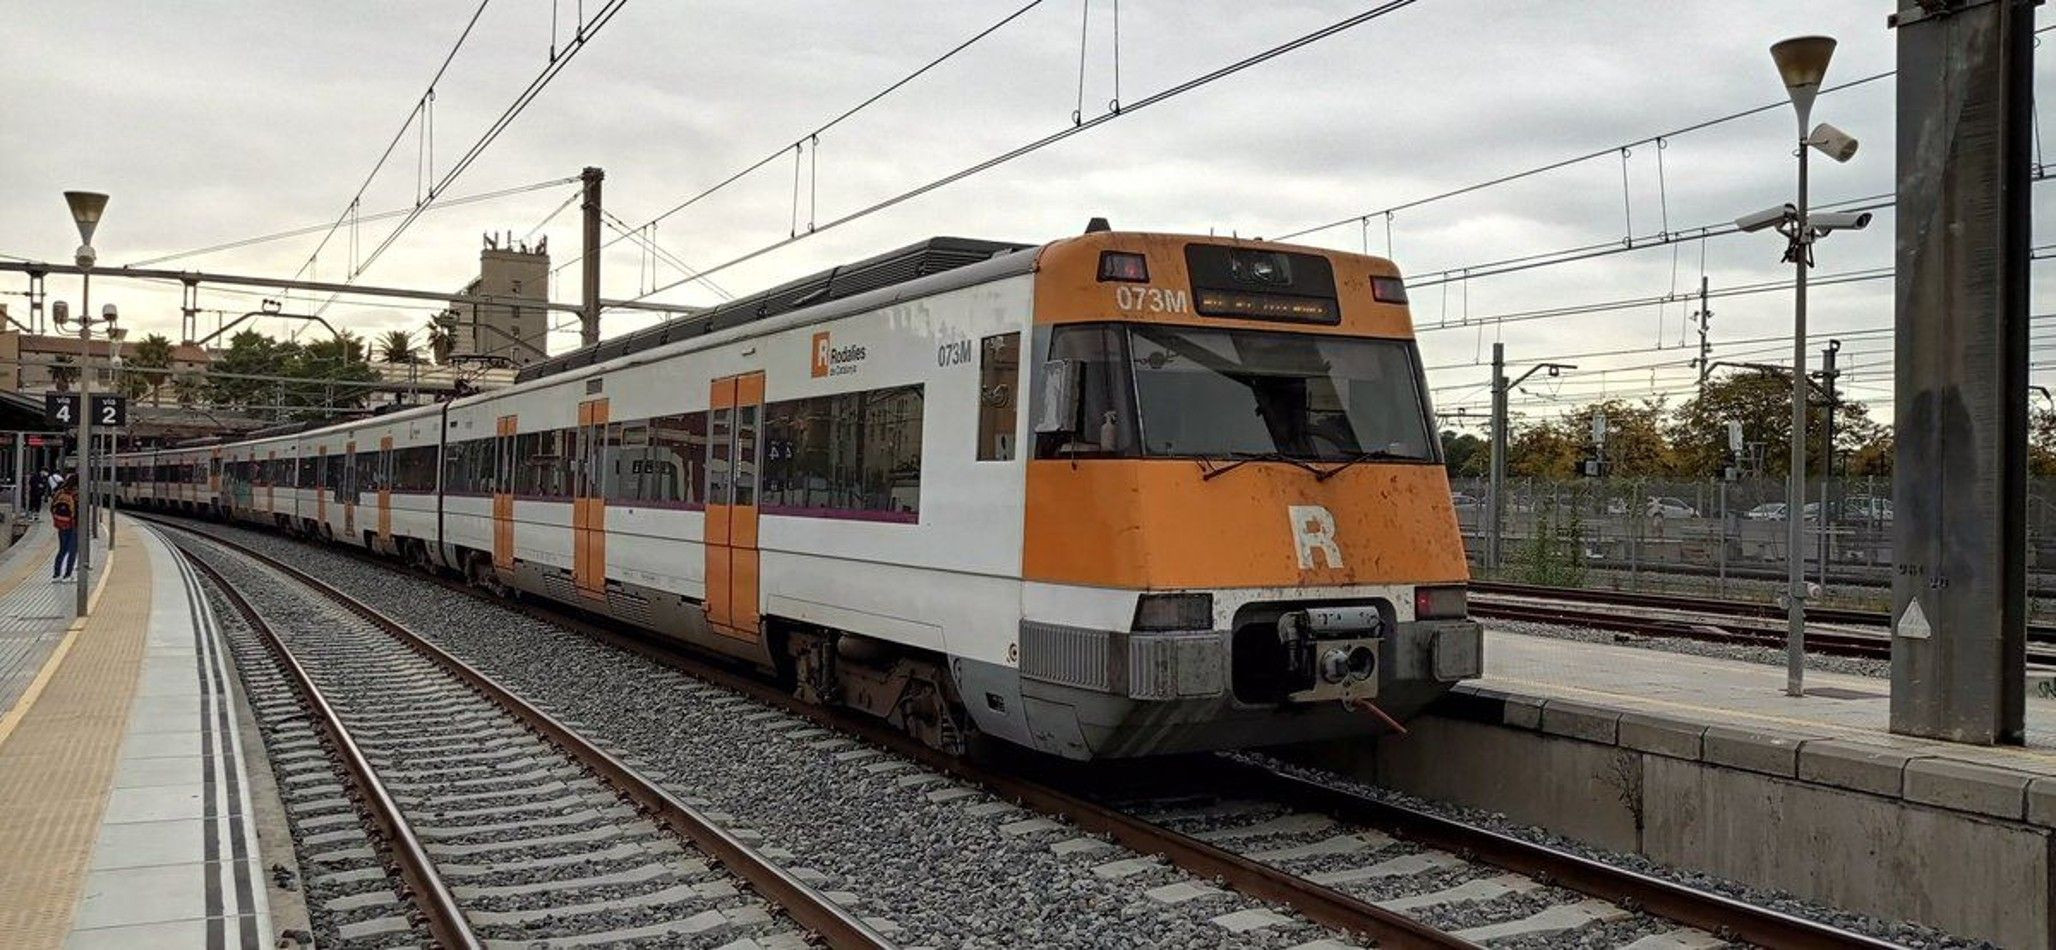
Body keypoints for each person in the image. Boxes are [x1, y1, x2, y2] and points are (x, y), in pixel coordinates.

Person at [50, 475, 77, 582]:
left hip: (61, 524)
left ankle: (56, 575)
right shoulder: (76, 494)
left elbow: (52, 507)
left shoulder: (60, 492)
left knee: (62, 549)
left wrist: (58, 520)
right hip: (73, 525)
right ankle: (68, 575)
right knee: (72, 550)